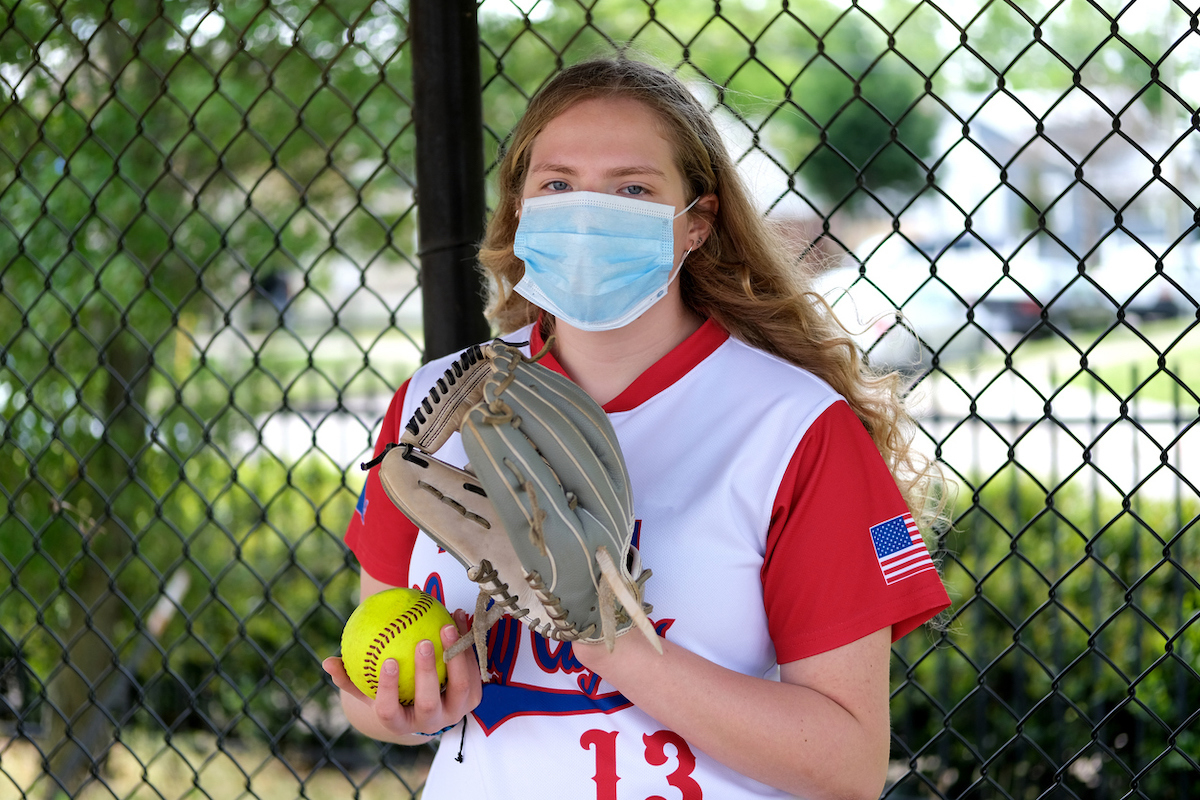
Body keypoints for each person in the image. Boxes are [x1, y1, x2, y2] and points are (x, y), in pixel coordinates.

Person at [324, 57, 952, 799]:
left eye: (631, 189)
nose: (587, 213)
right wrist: (402, 709)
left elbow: (846, 766)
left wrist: (612, 640)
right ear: (521, 208)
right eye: (557, 184)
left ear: (696, 223)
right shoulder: (440, 402)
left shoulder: (795, 427)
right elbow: (373, 684)